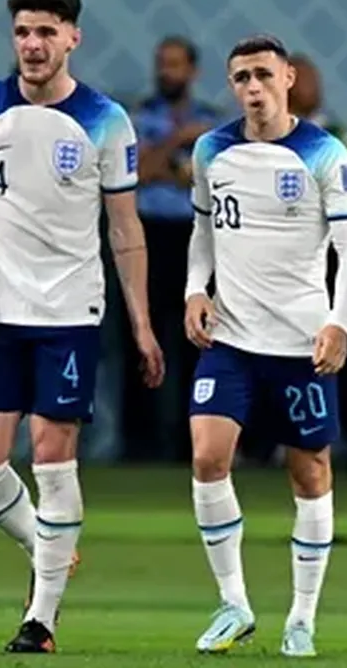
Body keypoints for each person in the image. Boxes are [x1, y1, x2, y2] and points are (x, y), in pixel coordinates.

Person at [0, 0, 164, 654]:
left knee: (53, 456)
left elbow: (125, 228)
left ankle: (41, 620)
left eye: (46, 32)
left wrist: (141, 321)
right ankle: (50, 546)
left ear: (73, 38)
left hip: (69, 313)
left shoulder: (104, 120)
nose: (32, 44)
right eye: (23, 31)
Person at [183, 35, 347, 659]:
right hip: (231, 336)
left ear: (288, 77)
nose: (253, 87)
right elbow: (204, 229)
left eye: (263, 74)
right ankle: (233, 603)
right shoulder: (212, 149)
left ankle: (302, 617)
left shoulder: (325, 154)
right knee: (208, 456)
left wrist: (338, 323)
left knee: (309, 471)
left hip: (299, 342)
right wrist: (194, 289)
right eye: (241, 78)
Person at [124, 35, 221, 462]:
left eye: (176, 64)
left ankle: (191, 440)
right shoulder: (138, 117)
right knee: (141, 335)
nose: (167, 72)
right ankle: (140, 442)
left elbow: (213, 181)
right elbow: (136, 172)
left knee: (196, 338)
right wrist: (178, 140)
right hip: (147, 235)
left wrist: (170, 168)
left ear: (193, 71)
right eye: (162, 63)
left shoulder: (213, 122)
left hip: (195, 236)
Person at [288, 52, 347, 463]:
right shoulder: (262, 137)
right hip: (278, 258)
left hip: (330, 257)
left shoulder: (341, 137)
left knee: (343, 343)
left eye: (315, 81)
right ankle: (266, 440)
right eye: (304, 81)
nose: (313, 89)